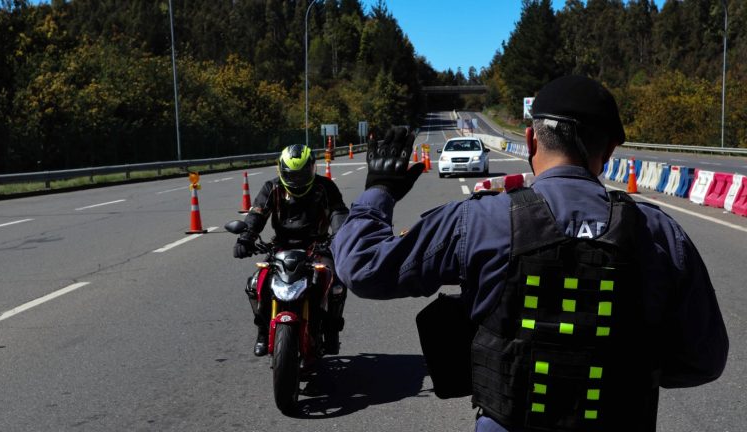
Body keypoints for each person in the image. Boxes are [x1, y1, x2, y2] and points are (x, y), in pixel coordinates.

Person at [331, 75, 728, 431]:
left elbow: (362, 267)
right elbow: (704, 359)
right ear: (609, 151)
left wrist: (379, 192)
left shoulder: (480, 219)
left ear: (531, 140)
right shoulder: (659, 232)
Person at [235, 144, 349, 357]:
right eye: (291, 175)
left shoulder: (325, 187)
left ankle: (331, 331)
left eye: (302, 174)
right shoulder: (272, 187)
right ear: (281, 170)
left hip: (318, 245)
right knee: (255, 284)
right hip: (281, 246)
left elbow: (338, 212)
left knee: (336, 285)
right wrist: (246, 238)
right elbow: (257, 213)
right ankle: (262, 331)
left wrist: (341, 237)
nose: (296, 180)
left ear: (312, 169)